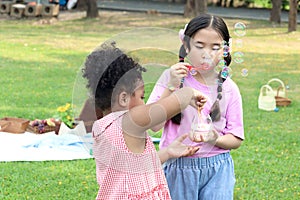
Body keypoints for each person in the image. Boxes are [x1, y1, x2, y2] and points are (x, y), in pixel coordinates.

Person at [81, 42, 207, 199]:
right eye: (141, 97)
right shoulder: (128, 121)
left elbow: (136, 166)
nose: (143, 104)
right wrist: (189, 92)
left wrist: (167, 153)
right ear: (123, 98)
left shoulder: (101, 126)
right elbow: (162, 109)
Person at [147, 14, 244, 199]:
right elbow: (153, 125)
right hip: (177, 166)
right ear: (186, 45)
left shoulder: (229, 88)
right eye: (199, 46)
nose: (206, 53)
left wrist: (213, 138)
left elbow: (236, 139)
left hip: (217, 169)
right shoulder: (171, 78)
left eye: (215, 47)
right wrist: (171, 87)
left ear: (224, 50)